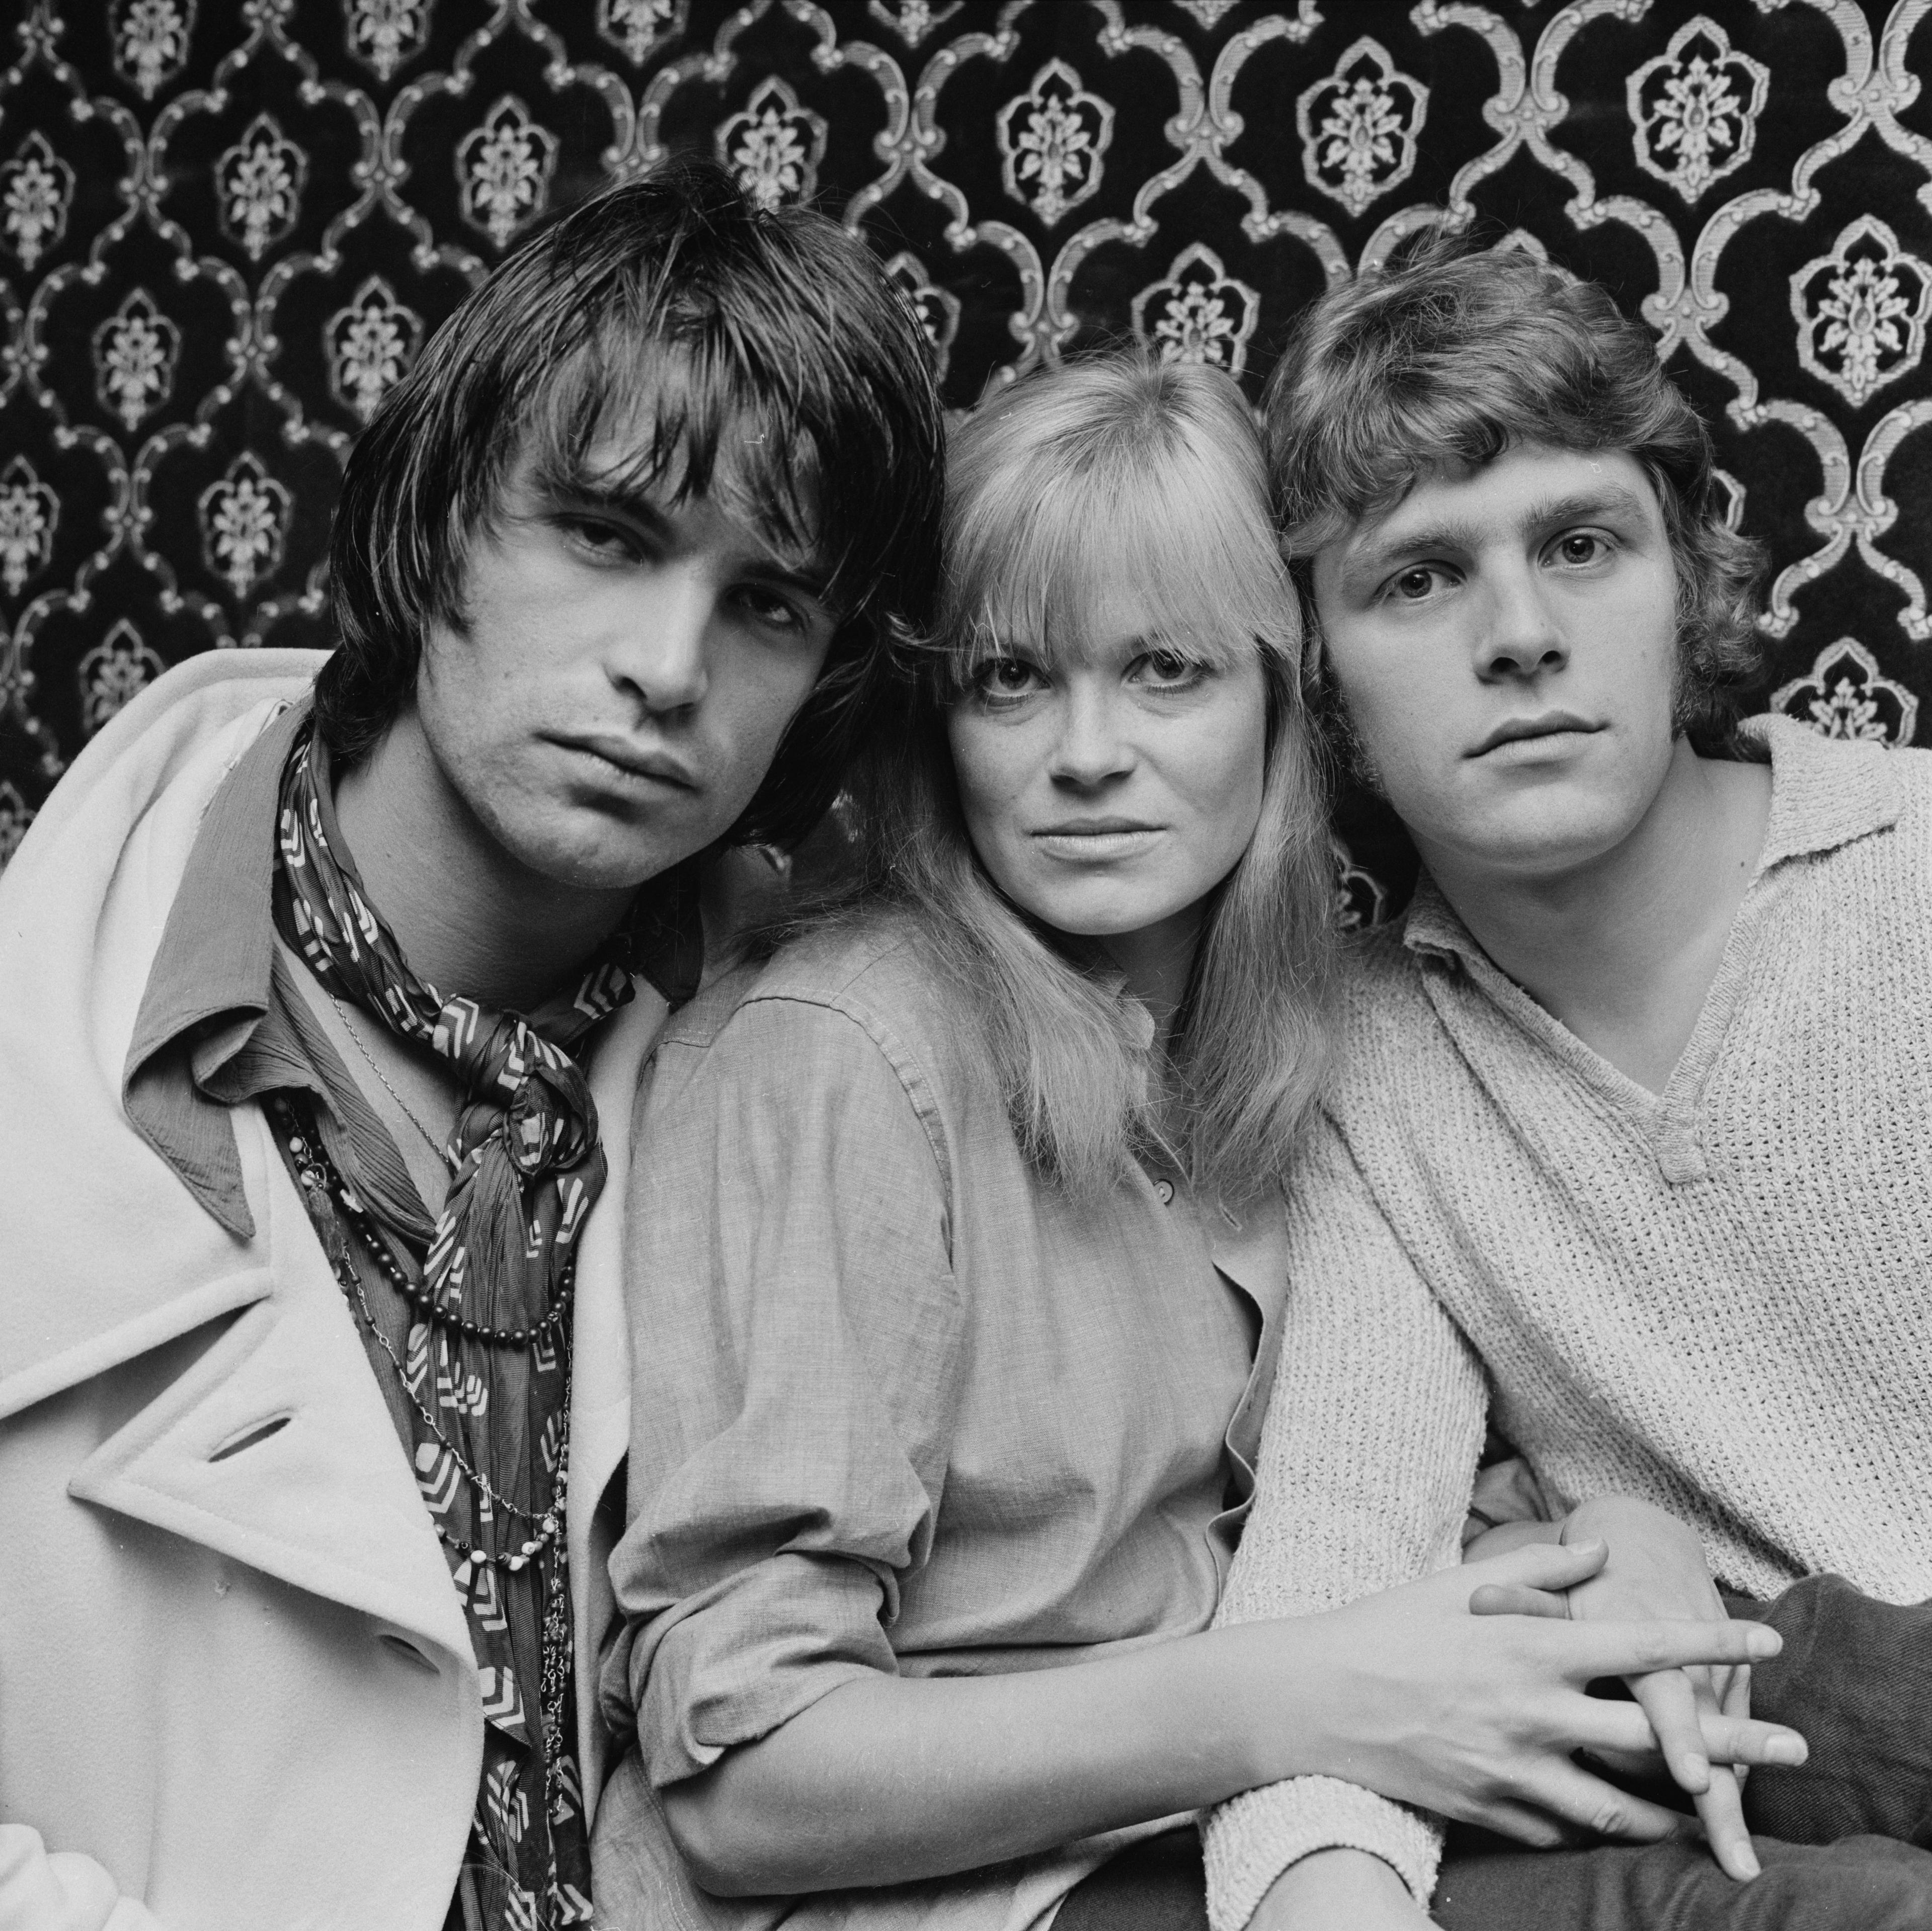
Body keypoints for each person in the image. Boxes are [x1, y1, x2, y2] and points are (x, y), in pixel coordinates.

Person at [589, 350, 1801, 1931]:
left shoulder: (1285, 1052)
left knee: (1830, 1728)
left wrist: (1610, 1529)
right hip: (955, 1898)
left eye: (1165, 669)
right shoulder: (846, 1047)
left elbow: (1365, 1499)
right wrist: (1291, 1700)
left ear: (1284, 707)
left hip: (1244, 1811)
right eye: (1010, 679)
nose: (1085, 754)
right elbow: (745, 1788)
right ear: (936, 720)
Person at [0, 155, 943, 1931]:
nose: (671, 668)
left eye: (769, 605)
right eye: (606, 535)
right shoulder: (63, 1047)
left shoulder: (810, 1068)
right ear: (440, 525)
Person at [1200, 242, 1932, 1931]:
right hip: (1795, 1816)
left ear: (1688, 581)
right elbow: (1332, 1607)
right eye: (1417, 581)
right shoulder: (1367, 1072)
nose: (1520, 637)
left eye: (1582, 546)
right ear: (1317, 674)